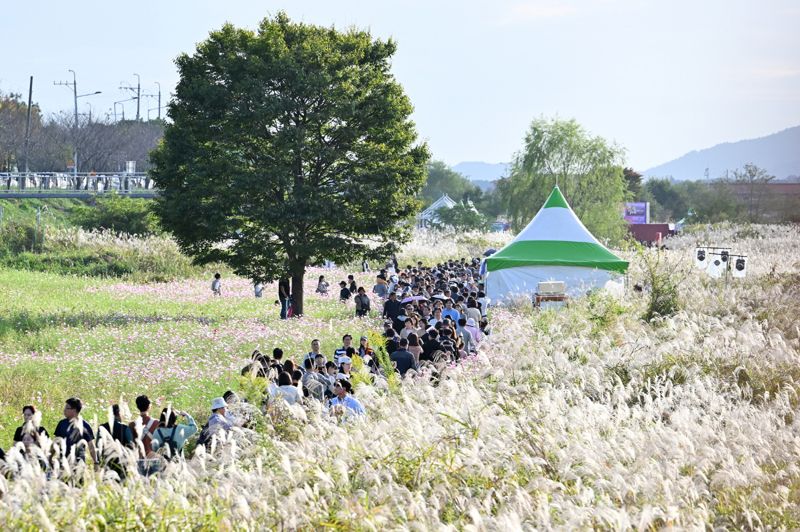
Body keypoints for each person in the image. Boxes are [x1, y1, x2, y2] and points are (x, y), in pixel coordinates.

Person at [54, 397, 97, 464]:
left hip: (79, 465)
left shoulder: (85, 426)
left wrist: (95, 462)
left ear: (74, 410)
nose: (64, 410)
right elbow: (56, 442)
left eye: (66, 408)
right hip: (63, 463)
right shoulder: (61, 424)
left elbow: (91, 445)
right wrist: (50, 457)